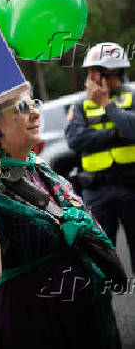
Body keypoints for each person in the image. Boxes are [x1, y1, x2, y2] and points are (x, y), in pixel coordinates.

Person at [0, 87, 122, 349]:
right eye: (22, 108)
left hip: (85, 317)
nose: (34, 112)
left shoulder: (40, 167)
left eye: (34, 103)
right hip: (34, 324)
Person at [65, 42, 135, 274]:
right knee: (98, 264)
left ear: (112, 71)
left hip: (132, 188)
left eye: (95, 69)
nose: (90, 75)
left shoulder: (132, 96)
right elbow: (75, 140)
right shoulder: (80, 105)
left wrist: (106, 104)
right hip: (97, 192)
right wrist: (115, 133)